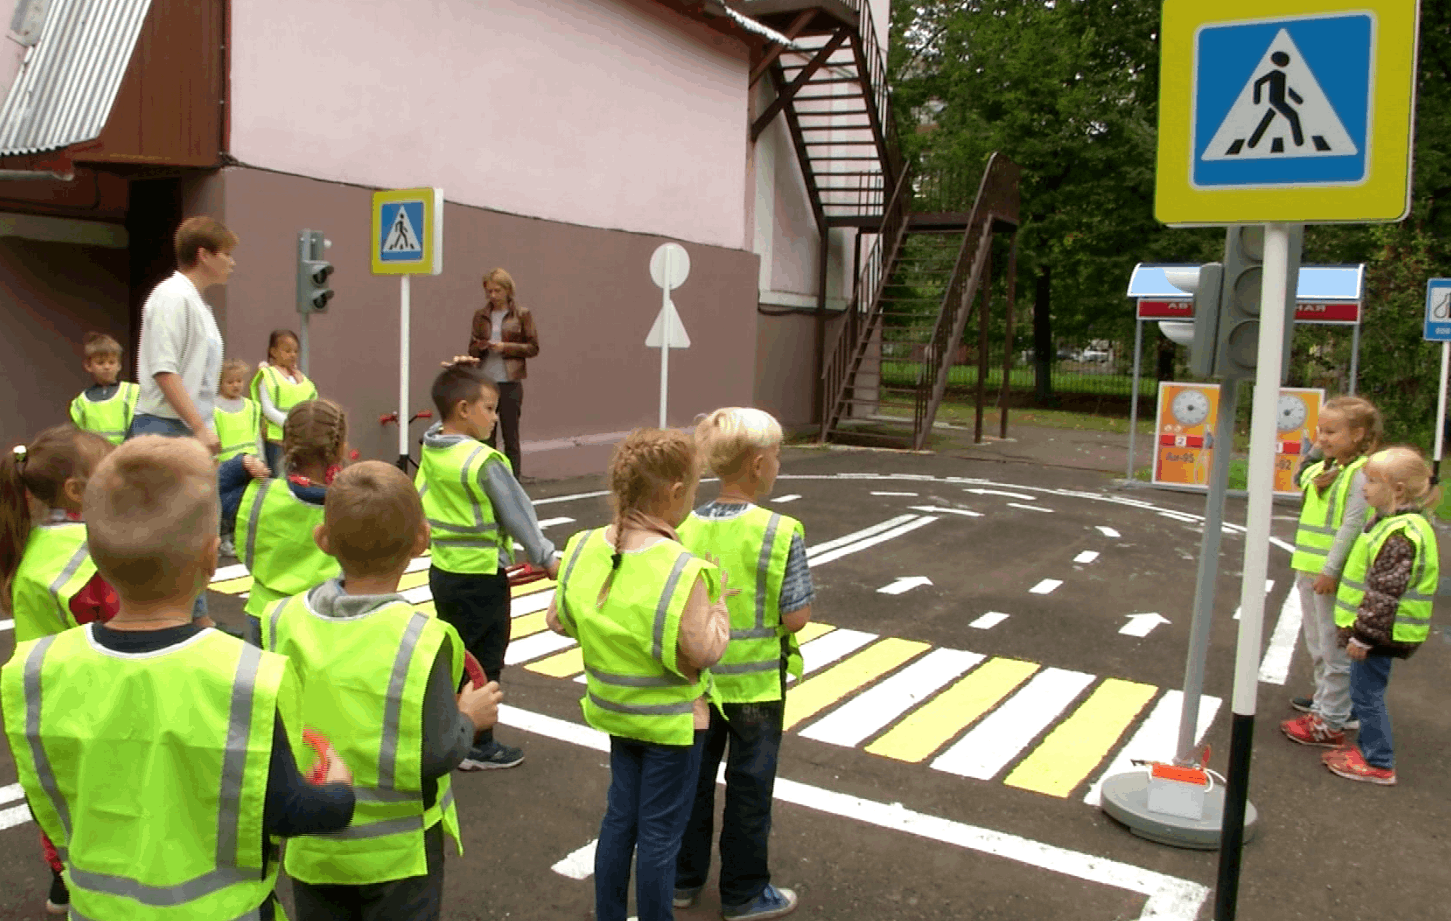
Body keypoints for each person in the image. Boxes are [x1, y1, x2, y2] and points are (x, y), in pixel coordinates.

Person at [0, 435, 357, 921]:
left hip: (96, 908)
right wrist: (339, 791)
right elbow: (288, 809)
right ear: (211, 559)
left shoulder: (35, 671)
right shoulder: (246, 676)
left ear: (97, 558)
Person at [258, 462, 503, 920]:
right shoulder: (423, 638)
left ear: (323, 541)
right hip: (398, 856)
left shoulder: (280, 620)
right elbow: (436, 753)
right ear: (422, 540)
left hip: (313, 843)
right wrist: (470, 717)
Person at [545, 428, 730, 921]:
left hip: (614, 711)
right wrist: (719, 606)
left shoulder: (583, 546)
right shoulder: (681, 567)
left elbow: (559, 619)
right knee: (660, 837)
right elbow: (704, 650)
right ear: (673, 493)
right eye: (693, 488)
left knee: (620, 820)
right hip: (672, 725)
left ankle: (609, 914)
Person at [674, 408, 810, 920]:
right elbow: (795, 617)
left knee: (690, 782)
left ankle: (682, 882)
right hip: (755, 689)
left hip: (693, 682)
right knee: (750, 790)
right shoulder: (780, 530)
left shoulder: (682, 525)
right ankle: (745, 892)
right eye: (776, 455)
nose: (778, 463)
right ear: (757, 464)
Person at [418, 362, 559, 770]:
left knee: (457, 655)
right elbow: (517, 513)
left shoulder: (432, 447)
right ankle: (478, 744)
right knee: (485, 660)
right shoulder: (482, 460)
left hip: (444, 570)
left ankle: (451, 730)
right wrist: (544, 556)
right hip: (481, 574)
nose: (495, 417)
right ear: (464, 409)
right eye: (490, 408)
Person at [0, 425, 116, 915]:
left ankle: (60, 881)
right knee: (98, 800)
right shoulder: (85, 555)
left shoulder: (34, 543)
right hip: (90, 700)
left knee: (55, 801)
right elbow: (118, 626)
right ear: (76, 490)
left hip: (43, 697)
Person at [1321, 446, 1440, 785]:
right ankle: (1366, 749)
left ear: (1397, 489)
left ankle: (1378, 761)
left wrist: (1364, 636)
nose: (1364, 488)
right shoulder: (1395, 522)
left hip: (1380, 634)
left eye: (1372, 481)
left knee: (1367, 695)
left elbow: (1384, 593)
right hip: (1381, 631)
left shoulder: (1400, 533)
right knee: (1365, 692)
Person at [1281, 396, 1381, 748]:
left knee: (1331, 649)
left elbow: (1352, 524)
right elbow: (1300, 476)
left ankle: (1331, 721)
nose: (1321, 437)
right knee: (1317, 645)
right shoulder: (1326, 467)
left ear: (1357, 434)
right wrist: (1319, 456)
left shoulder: (1359, 474)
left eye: (1331, 431)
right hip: (1309, 569)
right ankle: (1328, 705)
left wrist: (1330, 569)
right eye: (1320, 429)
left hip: (1328, 575)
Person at [236, 400, 346, 642]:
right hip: (325, 614)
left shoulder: (258, 493)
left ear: (285, 445)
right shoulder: (350, 501)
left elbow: (211, 490)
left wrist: (238, 464)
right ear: (340, 448)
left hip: (264, 611)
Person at [128, 215, 235, 454]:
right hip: (164, 426)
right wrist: (199, 428)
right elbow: (164, 369)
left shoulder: (197, 303)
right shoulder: (172, 296)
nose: (232, 262)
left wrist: (201, 428)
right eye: (226, 254)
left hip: (187, 427)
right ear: (204, 255)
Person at [466, 268, 539, 477]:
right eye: (489, 291)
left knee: (510, 436)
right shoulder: (480, 315)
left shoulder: (522, 314)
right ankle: (488, 478)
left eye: (497, 291)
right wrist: (480, 347)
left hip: (510, 381)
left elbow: (533, 347)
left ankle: (513, 479)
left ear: (508, 290)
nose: (493, 296)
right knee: (485, 435)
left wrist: (505, 347)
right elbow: (471, 347)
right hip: (485, 381)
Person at [251, 330, 318, 477]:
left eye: (295, 351)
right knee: (278, 479)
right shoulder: (267, 375)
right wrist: (291, 425)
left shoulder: (299, 377)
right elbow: (268, 409)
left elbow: (311, 399)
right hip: (277, 441)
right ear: (273, 352)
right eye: (287, 351)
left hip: (299, 440)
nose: (293, 355)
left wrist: (301, 382)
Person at [214, 359, 264, 558]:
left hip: (251, 464)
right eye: (230, 382)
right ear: (220, 383)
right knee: (226, 504)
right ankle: (224, 537)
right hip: (226, 465)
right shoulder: (213, 408)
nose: (236, 385)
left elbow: (257, 437)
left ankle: (239, 537)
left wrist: (261, 461)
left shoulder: (252, 407)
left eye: (239, 381)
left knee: (246, 501)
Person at [68, 332, 139, 446]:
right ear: (88, 366)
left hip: (127, 455)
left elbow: (143, 426)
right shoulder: (80, 402)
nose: (107, 367)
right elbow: (79, 437)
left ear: (119, 365)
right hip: (96, 458)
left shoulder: (133, 392)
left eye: (112, 362)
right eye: (100, 363)